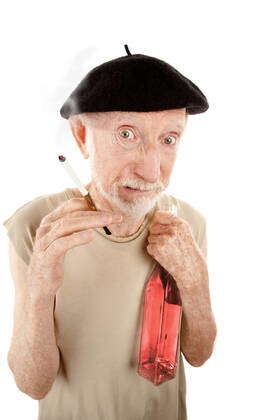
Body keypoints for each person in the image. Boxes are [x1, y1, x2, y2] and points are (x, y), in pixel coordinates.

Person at [2, 45, 217, 420]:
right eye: (127, 135)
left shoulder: (188, 225)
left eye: (168, 139)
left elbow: (198, 355)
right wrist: (40, 286)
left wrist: (195, 282)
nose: (152, 172)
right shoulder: (35, 224)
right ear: (83, 136)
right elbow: (32, 384)